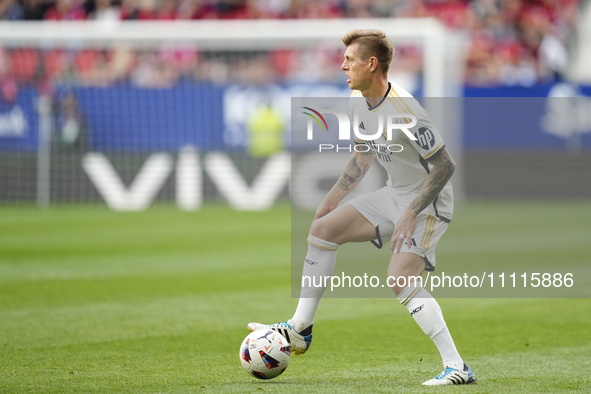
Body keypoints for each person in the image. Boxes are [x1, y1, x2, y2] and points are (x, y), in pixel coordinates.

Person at [248, 29, 476, 386]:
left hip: (428, 205)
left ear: (371, 64)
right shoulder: (358, 102)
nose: (343, 66)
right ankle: (299, 329)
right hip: (393, 193)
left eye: (349, 60)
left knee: (400, 280)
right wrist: (330, 202)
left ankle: (458, 367)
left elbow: (446, 165)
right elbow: (364, 155)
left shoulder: (407, 111)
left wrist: (411, 212)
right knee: (322, 231)